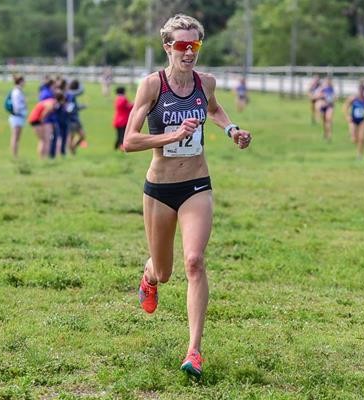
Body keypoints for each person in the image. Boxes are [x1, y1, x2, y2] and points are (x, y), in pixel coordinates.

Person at [123, 14, 252, 379]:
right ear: (168, 47)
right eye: (182, 45)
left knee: (194, 261)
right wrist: (172, 136)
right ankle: (149, 275)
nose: (189, 52)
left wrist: (232, 129)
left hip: (197, 184)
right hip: (160, 189)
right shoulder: (152, 85)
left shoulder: (205, 82)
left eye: (195, 45)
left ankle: (194, 351)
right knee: (164, 271)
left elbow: (213, 108)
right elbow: (129, 141)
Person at [27, 91, 65, 159]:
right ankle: (42, 157)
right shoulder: (53, 103)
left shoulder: (51, 101)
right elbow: (45, 113)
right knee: (44, 140)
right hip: (36, 120)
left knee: (44, 140)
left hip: (34, 119)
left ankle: (43, 157)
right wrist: (42, 122)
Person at [343, 81, 364, 159]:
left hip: (362, 120)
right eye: (360, 90)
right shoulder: (353, 98)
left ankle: (360, 155)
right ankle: (358, 146)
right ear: (358, 90)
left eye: (363, 90)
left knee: (362, 138)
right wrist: (347, 116)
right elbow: (345, 106)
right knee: (354, 139)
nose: (361, 92)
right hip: (353, 120)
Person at [8, 74, 27, 157]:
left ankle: (16, 154)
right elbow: (17, 106)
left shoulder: (19, 91)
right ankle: (14, 155)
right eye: (24, 81)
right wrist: (23, 109)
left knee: (17, 138)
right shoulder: (16, 92)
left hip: (20, 116)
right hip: (16, 117)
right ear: (20, 81)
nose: (25, 82)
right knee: (15, 137)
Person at [66, 79, 87, 154]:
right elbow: (69, 108)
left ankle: (73, 148)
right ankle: (71, 152)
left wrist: (80, 107)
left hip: (76, 119)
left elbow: (73, 106)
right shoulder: (70, 94)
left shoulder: (71, 95)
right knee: (71, 137)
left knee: (82, 135)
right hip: (71, 120)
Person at [314, 77, 335, 142]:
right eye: (326, 81)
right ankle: (325, 133)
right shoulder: (321, 88)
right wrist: (322, 96)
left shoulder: (331, 89)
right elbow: (316, 96)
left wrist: (332, 99)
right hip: (323, 106)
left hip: (329, 106)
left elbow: (333, 97)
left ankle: (329, 135)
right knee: (324, 121)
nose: (328, 82)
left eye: (329, 81)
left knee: (329, 119)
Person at [112, 86, 133, 150]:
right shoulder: (123, 99)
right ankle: (122, 147)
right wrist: (133, 104)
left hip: (117, 120)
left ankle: (116, 148)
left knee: (119, 135)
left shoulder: (117, 99)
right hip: (123, 120)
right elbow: (128, 107)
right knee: (123, 135)